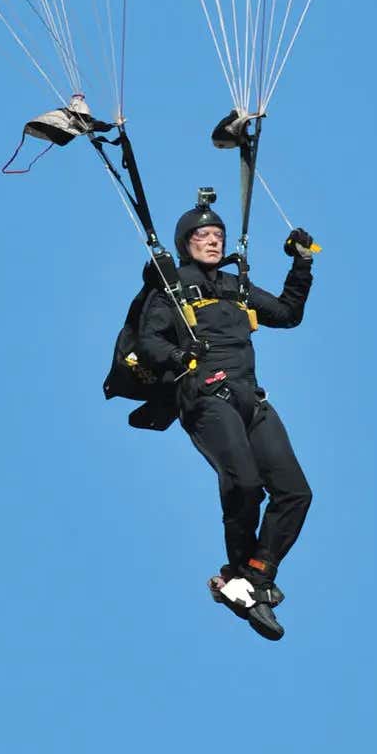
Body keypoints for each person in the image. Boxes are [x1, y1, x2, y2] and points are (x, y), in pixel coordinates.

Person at [138, 200, 316, 641]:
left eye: (218, 236)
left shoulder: (238, 288)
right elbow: (149, 340)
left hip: (250, 399)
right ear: (185, 245)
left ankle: (254, 575)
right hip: (204, 396)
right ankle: (237, 572)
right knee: (244, 484)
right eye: (203, 237)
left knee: (295, 493)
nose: (213, 241)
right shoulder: (173, 290)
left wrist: (302, 265)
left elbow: (288, 315)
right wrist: (181, 355)